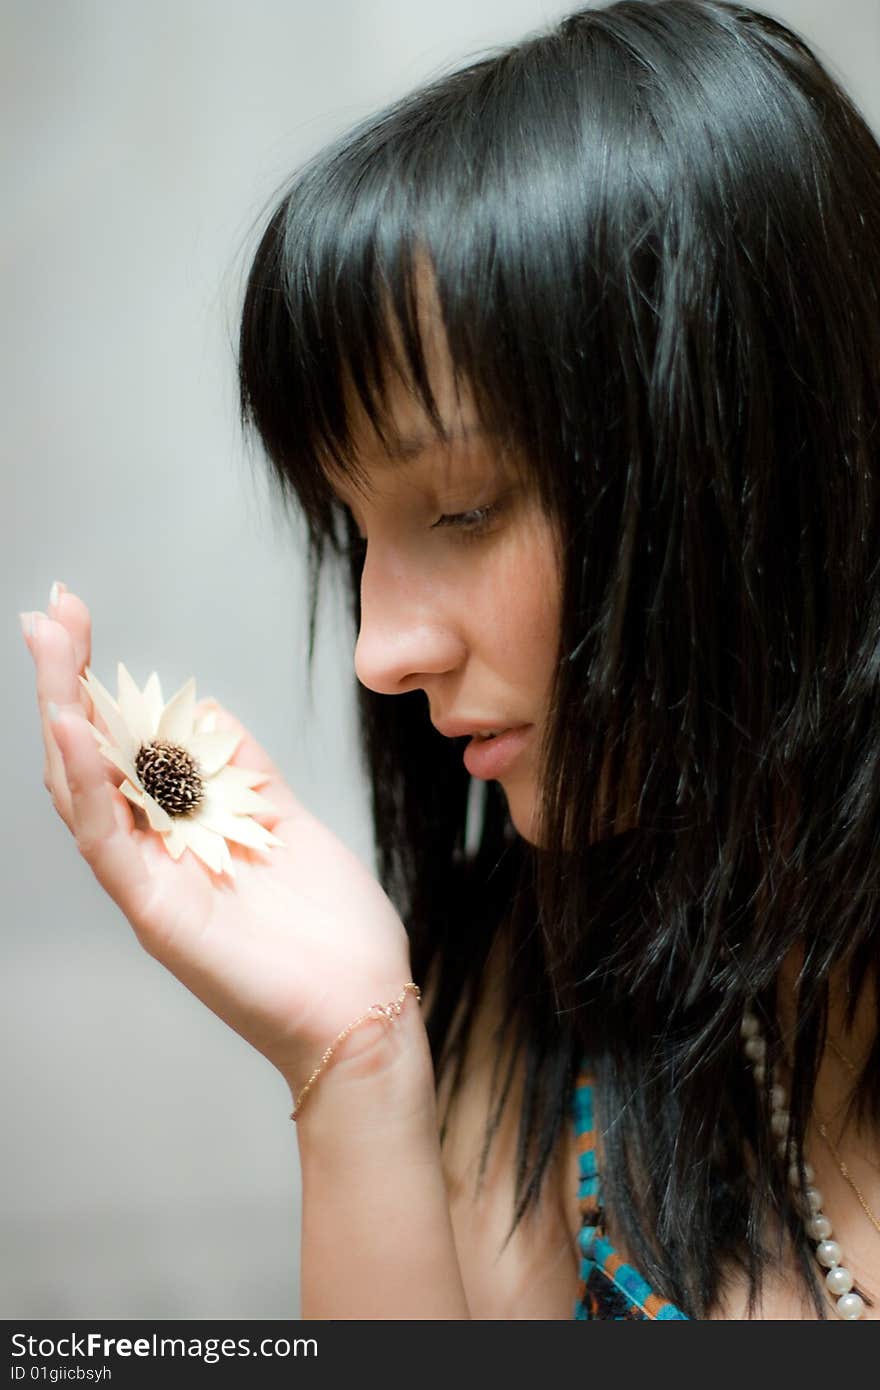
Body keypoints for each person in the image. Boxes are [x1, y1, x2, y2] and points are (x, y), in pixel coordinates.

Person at [21, 0, 880, 1319]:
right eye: (355, 535)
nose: (379, 653)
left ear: (751, 452)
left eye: (465, 508)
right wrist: (349, 1064)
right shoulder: (523, 1038)